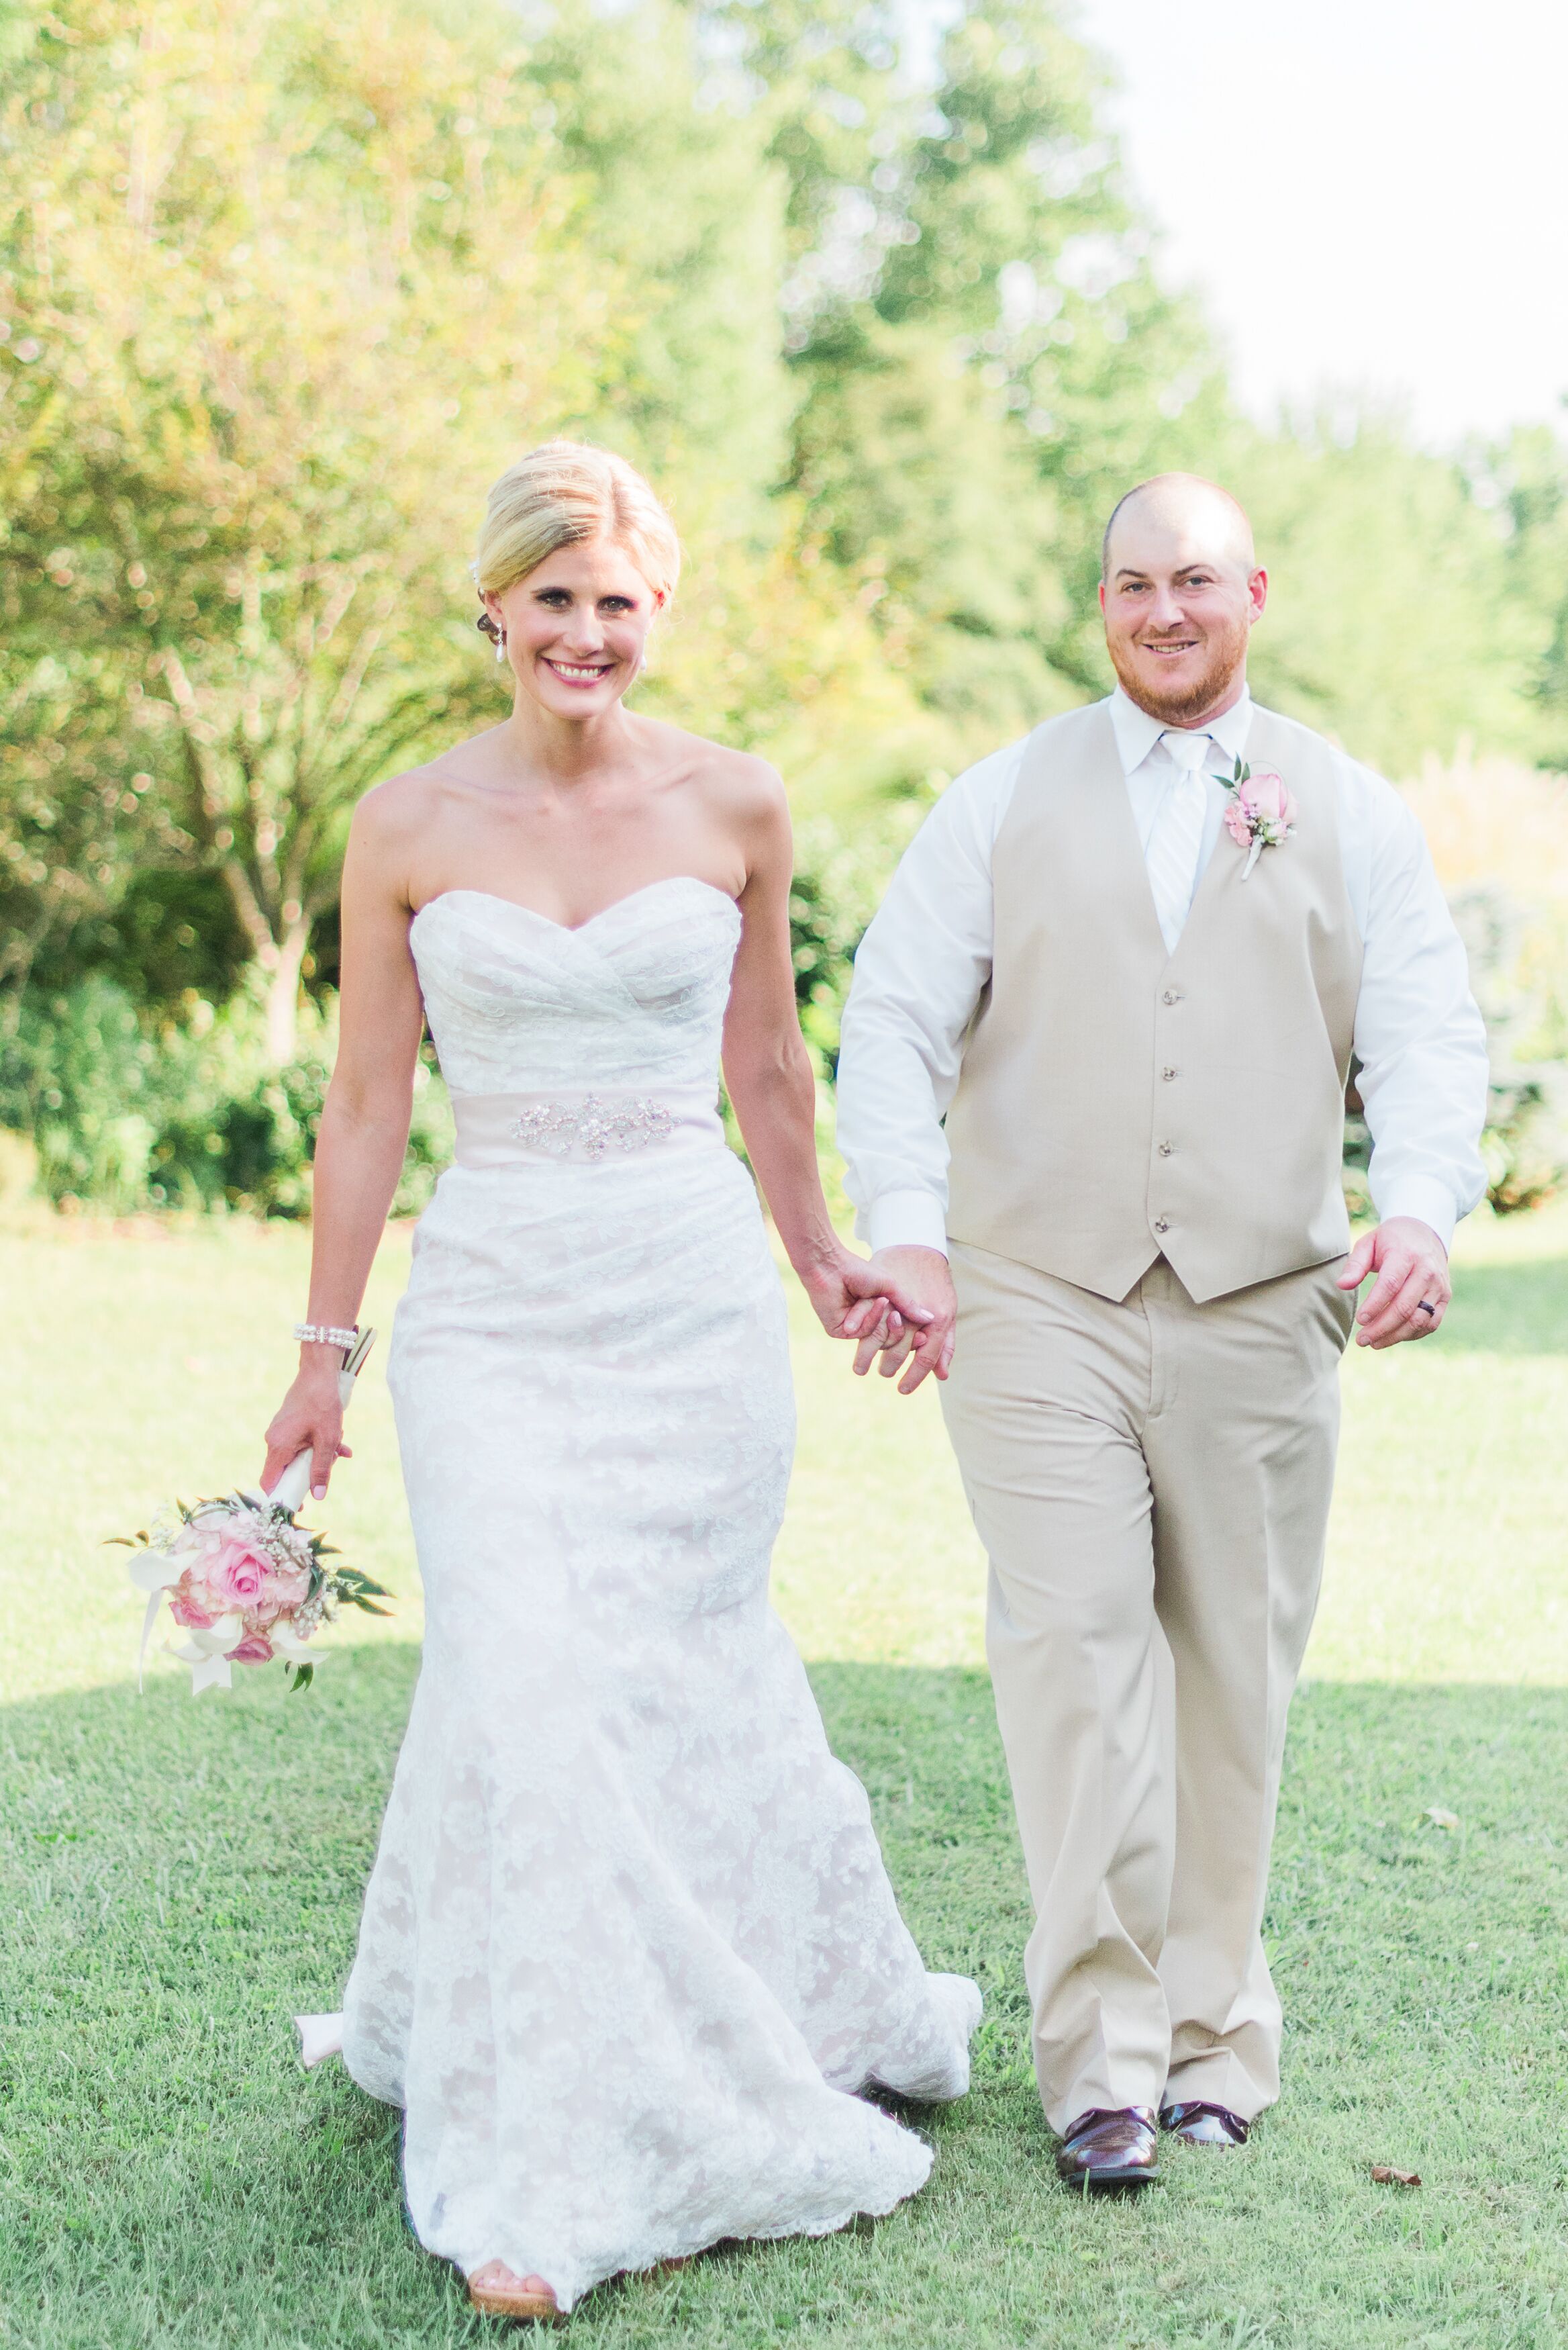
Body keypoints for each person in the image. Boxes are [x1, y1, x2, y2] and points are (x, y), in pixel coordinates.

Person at [265, 441, 981, 2318]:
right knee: (529, 1675)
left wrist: (823, 1254)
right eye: (557, 596)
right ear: (494, 605)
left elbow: (771, 1076)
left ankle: (784, 2010)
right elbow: (363, 1107)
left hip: (688, 1304)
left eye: (622, 601)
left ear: (658, 614)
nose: (589, 632)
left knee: (678, 1667)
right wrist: (323, 1358)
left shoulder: (737, 804)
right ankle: (554, 2169)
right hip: (492, 1306)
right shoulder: (404, 823)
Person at [835, 473, 1488, 2190]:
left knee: (1230, 1688)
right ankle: (1100, 2063)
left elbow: (1426, 1025)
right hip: (1037, 1296)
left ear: (1251, 591)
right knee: (1074, 1664)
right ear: (1101, 602)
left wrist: (1417, 1204)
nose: (1163, 611)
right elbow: (893, 1016)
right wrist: (910, 1234)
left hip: (1264, 1310)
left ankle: (1216, 2035)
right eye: (1133, 583)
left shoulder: (1342, 803)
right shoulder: (997, 801)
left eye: (1194, 579)